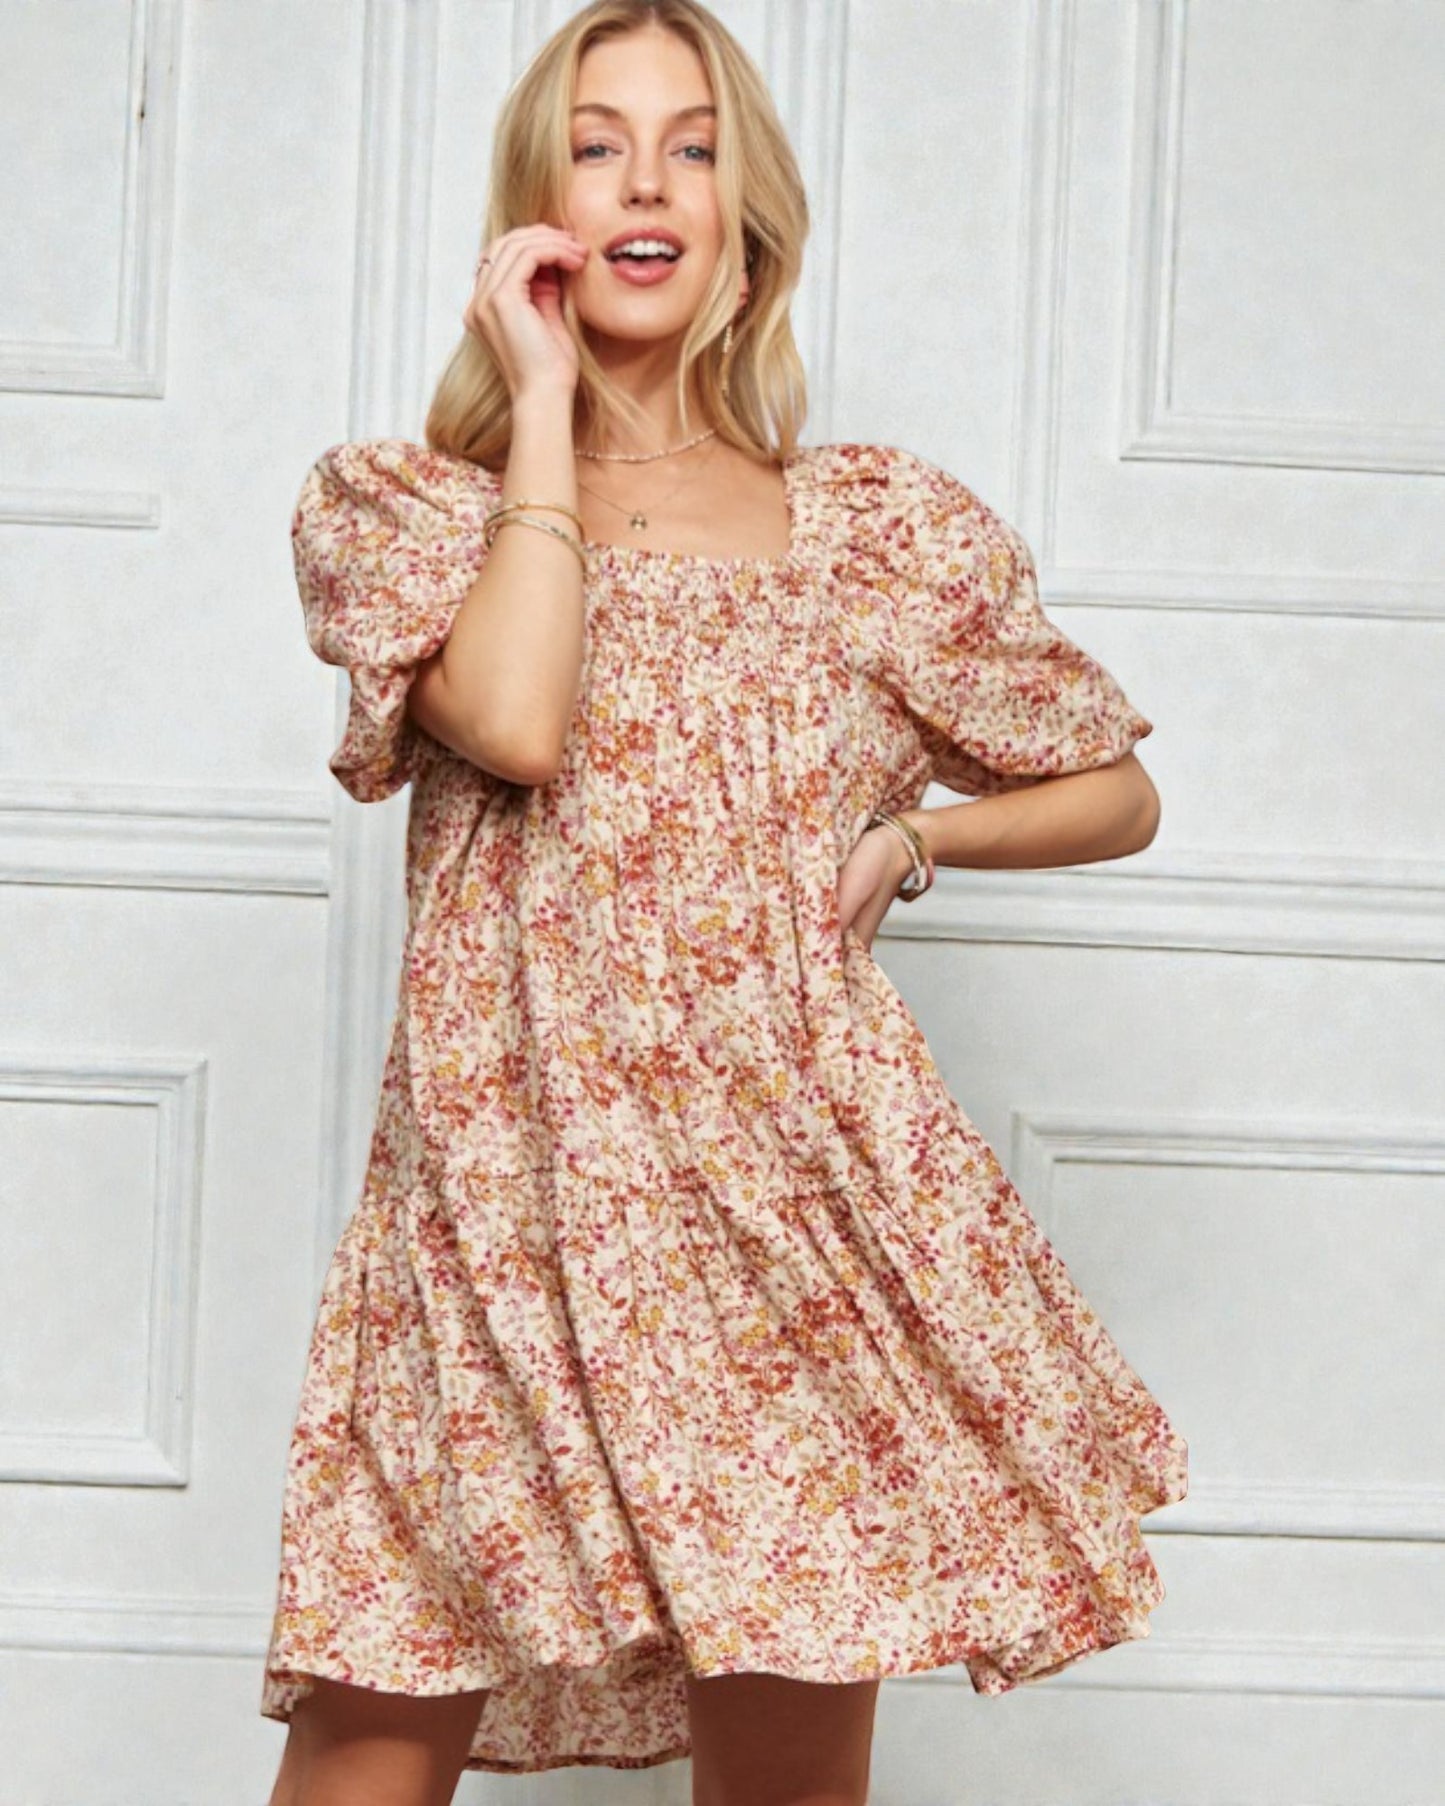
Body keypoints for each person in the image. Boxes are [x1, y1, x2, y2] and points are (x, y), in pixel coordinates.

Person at [260, 1, 1189, 1801]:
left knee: (781, 1766)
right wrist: (540, 407)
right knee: (376, 1731)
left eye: (693, 147)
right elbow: (519, 723)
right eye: (598, 142)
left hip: (782, 1213)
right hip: (497, 1221)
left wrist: (910, 842)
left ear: (746, 218)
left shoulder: (866, 532)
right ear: (533, 205)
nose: (647, 183)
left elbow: (1111, 785)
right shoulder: (402, 516)